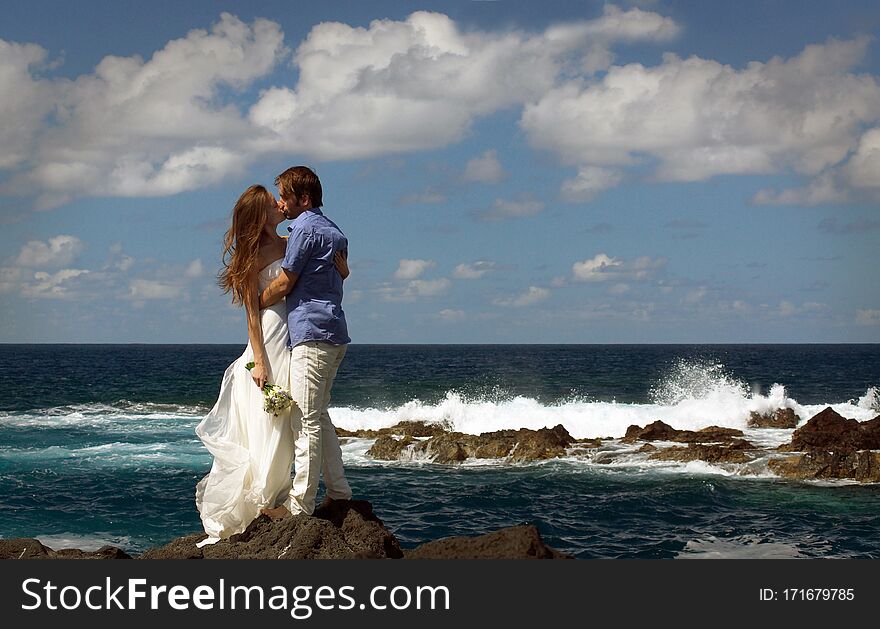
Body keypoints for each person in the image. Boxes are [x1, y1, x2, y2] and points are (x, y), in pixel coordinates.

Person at [194, 184, 348, 544]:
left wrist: (341, 271)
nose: (279, 205)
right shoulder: (254, 253)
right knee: (274, 420)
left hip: (295, 334)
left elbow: (312, 272)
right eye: (270, 204)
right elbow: (251, 312)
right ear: (260, 216)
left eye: (279, 200)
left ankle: (289, 496)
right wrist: (259, 360)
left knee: (295, 417)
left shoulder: (292, 239)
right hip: (271, 336)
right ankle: (270, 498)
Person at [259, 166, 353, 517]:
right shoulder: (334, 231)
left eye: (284, 195)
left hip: (311, 335)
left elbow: (285, 283)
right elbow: (336, 275)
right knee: (320, 416)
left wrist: (254, 301)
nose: (281, 203)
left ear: (304, 198)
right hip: (333, 333)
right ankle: (340, 492)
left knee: (306, 420)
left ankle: (299, 506)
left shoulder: (304, 230)